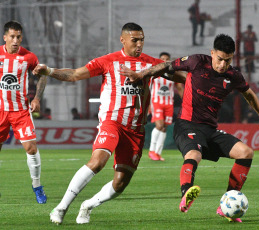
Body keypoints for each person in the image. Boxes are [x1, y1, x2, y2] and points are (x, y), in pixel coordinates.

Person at [33, 22, 185, 225]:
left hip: (136, 130)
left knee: (121, 183)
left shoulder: (151, 64)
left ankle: (88, 205)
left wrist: (193, 74)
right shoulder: (107, 61)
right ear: (122, 40)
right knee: (98, 161)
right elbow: (76, 74)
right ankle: (61, 207)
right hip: (112, 122)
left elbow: (179, 75)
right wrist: (50, 71)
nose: (139, 44)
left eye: (142, 40)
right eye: (135, 40)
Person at [120, 34, 259, 222]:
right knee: (194, 155)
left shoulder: (233, 76)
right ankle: (186, 194)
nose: (222, 65)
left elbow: (249, 94)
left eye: (227, 60)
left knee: (246, 152)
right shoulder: (197, 62)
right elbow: (166, 66)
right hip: (186, 125)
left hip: (209, 130)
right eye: (219, 59)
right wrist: (140, 74)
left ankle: (226, 203)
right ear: (212, 54)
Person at [0, 21, 47, 204]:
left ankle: (37, 186)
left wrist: (36, 98)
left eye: (18, 37)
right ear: (5, 37)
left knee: (31, 148)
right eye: (12, 36)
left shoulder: (29, 57)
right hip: (1, 110)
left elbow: (42, 75)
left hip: (21, 111)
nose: (15, 40)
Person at [148, 52, 184, 161]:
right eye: (162, 58)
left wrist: (185, 102)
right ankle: (151, 150)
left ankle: (158, 153)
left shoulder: (173, 73)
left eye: (166, 59)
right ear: (158, 60)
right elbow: (148, 87)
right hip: (156, 102)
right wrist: (148, 104)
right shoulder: (154, 72)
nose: (164, 60)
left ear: (169, 60)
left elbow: (179, 88)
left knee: (164, 128)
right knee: (159, 125)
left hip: (168, 104)